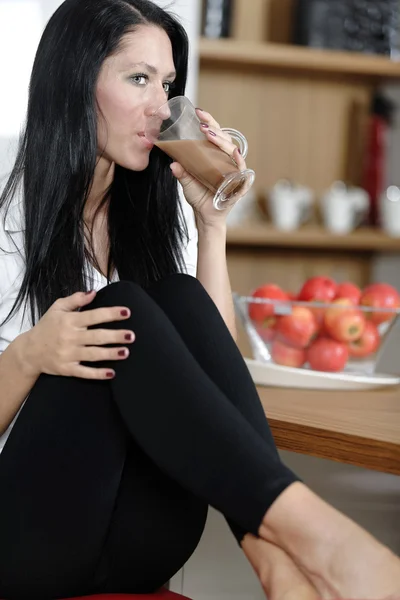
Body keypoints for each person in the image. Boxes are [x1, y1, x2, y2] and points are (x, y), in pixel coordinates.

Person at [0, 1, 399, 599]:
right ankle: (312, 542)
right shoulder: (8, 204)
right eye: (138, 79)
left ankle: (272, 556)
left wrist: (211, 227)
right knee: (125, 306)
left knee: (176, 295)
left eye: (167, 84)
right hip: (25, 539)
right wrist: (30, 354)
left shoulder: (149, 210)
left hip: (136, 538)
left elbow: (212, 376)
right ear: (76, 80)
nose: (161, 108)